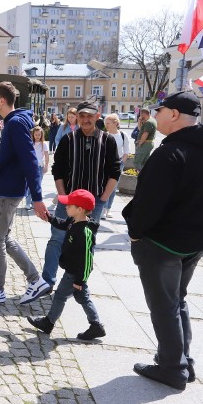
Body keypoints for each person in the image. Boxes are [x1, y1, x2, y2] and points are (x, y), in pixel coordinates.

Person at [123, 92, 203, 391]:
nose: (156, 115)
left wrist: (135, 232)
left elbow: (148, 203)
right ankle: (183, 361)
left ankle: (172, 368)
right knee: (177, 299)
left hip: (162, 243)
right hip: (197, 238)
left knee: (165, 305)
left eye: (160, 110)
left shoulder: (169, 153)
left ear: (175, 114)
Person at [0, 81, 51, 306]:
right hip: (5, 191)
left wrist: (37, 199)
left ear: (2, 101)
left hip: (9, 192)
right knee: (3, 237)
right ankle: (35, 280)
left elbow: (30, 161)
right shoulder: (15, 121)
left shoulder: (15, 124)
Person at [41, 101, 121, 288]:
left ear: (97, 117)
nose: (85, 119)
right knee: (57, 239)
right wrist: (63, 196)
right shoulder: (68, 140)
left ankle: (78, 281)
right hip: (68, 201)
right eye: (82, 116)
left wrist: (103, 198)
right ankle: (47, 281)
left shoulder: (107, 141)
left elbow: (115, 172)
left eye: (89, 116)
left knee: (85, 243)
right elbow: (58, 170)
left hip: (93, 203)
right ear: (77, 117)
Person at [27, 189, 106, 340]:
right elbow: (62, 224)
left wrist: (80, 280)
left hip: (75, 273)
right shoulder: (74, 221)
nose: (66, 207)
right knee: (83, 297)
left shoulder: (85, 232)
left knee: (60, 295)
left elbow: (87, 259)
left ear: (80, 209)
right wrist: (49, 218)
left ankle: (49, 322)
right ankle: (96, 325)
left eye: (69, 205)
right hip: (72, 271)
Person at [103, 113, 130, 219]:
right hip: (105, 163)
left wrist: (121, 163)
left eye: (108, 123)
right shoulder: (105, 135)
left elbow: (126, 152)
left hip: (118, 163)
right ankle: (103, 209)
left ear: (115, 123)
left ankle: (108, 209)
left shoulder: (123, 135)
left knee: (113, 187)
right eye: (105, 123)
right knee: (105, 185)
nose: (106, 125)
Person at [25, 126, 49, 210]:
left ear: (41, 135)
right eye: (36, 134)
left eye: (39, 135)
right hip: (31, 166)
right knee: (30, 185)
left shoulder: (44, 144)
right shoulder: (31, 143)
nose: (37, 136)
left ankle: (35, 201)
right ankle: (28, 202)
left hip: (40, 167)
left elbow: (46, 156)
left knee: (37, 185)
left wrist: (46, 166)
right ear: (33, 135)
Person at [133, 107, 156, 172]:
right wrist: (139, 122)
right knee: (144, 162)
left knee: (137, 162)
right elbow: (141, 130)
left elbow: (145, 134)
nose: (140, 116)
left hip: (145, 144)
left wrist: (140, 143)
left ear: (143, 114)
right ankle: (144, 175)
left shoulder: (148, 122)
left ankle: (140, 176)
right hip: (147, 144)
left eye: (140, 114)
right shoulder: (151, 121)